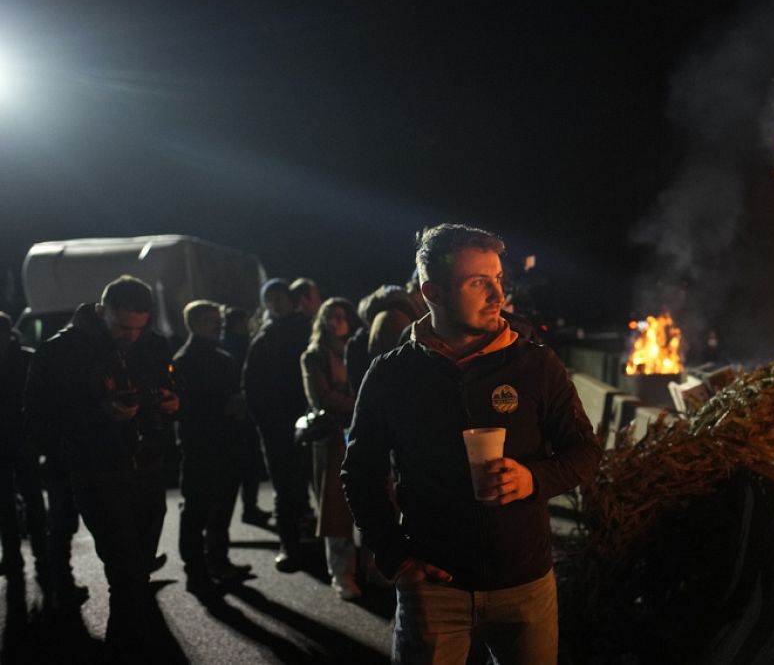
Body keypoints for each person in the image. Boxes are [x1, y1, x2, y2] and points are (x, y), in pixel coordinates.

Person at [341, 224, 602, 664]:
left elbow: (585, 452)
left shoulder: (535, 364)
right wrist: (393, 554)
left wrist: (532, 478)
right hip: (435, 589)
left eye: (498, 279)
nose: (497, 295)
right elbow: (360, 471)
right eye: (478, 282)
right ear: (433, 292)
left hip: (525, 583)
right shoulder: (392, 374)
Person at [23, 275, 180, 647]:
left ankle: (136, 644)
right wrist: (99, 414)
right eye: (122, 327)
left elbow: (173, 385)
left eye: (138, 328)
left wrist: (173, 403)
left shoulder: (153, 343)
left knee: (137, 571)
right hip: (97, 473)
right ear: (100, 311)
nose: (130, 336)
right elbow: (36, 420)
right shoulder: (59, 351)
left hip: (149, 468)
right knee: (125, 574)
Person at [173, 301, 253, 598]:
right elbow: (186, 409)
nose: (218, 325)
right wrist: (226, 407)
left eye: (218, 319)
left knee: (221, 509)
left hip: (227, 444)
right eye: (210, 320)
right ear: (192, 324)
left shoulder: (223, 357)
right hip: (200, 447)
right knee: (197, 511)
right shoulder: (184, 361)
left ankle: (218, 562)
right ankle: (196, 572)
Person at [243, 278, 313, 571]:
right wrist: (267, 425)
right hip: (278, 428)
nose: (276, 302)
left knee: (319, 481)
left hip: (312, 420)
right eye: (270, 299)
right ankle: (289, 544)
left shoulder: (309, 328)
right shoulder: (264, 339)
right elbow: (251, 386)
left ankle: (325, 540)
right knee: (285, 486)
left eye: (280, 296)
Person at [302, 297, 363, 600]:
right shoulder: (314, 355)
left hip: (360, 434)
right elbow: (321, 397)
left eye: (343, 316)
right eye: (331, 316)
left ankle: (374, 569)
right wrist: (363, 404)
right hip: (333, 438)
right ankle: (342, 574)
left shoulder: (356, 349)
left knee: (371, 503)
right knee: (336, 511)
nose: (337, 321)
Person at [0, 312, 48, 585]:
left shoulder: (26, 359)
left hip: (20, 440)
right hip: (18, 440)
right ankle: (27, 556)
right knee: (19, 502)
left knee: (26, 500)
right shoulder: (27, 358)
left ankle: (29, 555)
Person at [220, 306, 270, 526]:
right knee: (244, 467)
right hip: (237, 415)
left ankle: (249, 508)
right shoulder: (234, 346)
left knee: (248, 466)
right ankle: (247, 510)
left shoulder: (232, 344)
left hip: (241, 413)